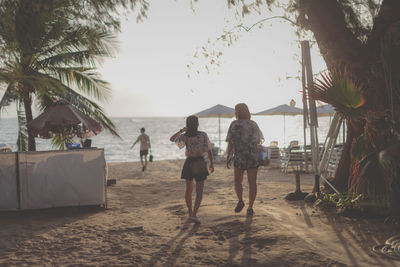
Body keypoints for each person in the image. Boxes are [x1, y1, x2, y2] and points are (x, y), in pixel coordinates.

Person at [170, 115, 214, 224]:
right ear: (197, 124)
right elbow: (209, 150)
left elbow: (172, 139)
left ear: (187, 124)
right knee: (199, 191)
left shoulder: (185, 136)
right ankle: (194, 214)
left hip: (189, 162)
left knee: (189, 190)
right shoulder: (203, 135)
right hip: (199, 162)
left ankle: (191, 213)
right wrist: (212, 163)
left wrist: (181, 131)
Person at [226, 103, 264, 216]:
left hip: (239, 156)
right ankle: (250, 207)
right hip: (252, 156)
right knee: (252, 182)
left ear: (237, 112)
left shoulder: (234, 124)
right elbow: (260, 140)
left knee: (238, 180)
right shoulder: (253, 124)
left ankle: (240, 200)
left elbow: (230, 143)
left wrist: (228, 156)